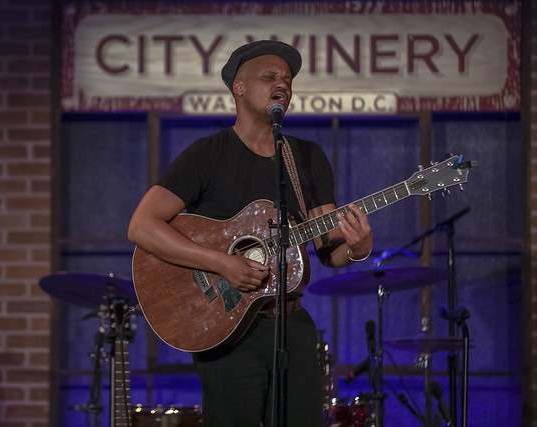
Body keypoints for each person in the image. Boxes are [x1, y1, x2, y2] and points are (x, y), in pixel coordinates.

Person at [127, 40, 373, 427]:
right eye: (270, 77)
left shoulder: (306, 157)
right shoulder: (208, 154)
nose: (283, 85)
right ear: (238, 87)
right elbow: (142, 225)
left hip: (292, 324)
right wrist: (222, 263)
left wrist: (358, 248)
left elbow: (329, 250)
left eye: (288, 80)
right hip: (226, 326)